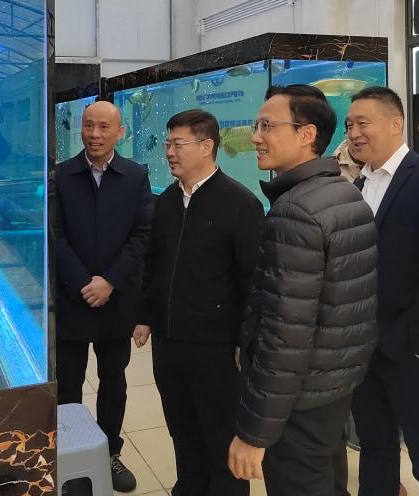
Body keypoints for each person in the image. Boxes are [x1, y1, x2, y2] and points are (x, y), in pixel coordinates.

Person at [228, 84, 378, 496]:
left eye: (267, 126)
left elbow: (285, 333)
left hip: (298, 399)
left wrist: (255, 432)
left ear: (306, 134)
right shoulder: (344, 192)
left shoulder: (295, 210)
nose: (256, 137)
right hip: (332, 386)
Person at [134, 109, 265, 496]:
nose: (169, 152)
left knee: (220, 440)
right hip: (169, 345)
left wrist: (245, 342)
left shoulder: (239, 203)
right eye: (168, 143)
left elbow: (253, 282)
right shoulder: (165, 203)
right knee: (183, 433)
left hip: (216, 350)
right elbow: (152, 266)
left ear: (207, 147)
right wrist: (145, 316)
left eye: (179, 144)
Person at [346, 86, 419, 496]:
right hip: (363, 345)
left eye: (363, 123)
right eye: (349, 125)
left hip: (411, 348)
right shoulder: (358, 183)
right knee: (374, 446)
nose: (354, 133)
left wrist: (416, 338)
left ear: (395, 123)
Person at [52, 100, 153, 493]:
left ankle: (110, 452)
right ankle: (70, 456)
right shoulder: (63, 175)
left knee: (114, 382)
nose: (94, 134)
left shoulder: (135, 175)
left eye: (104, 127)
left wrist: (109, 281)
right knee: (68, 384)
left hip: (116, 299)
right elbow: (55, 235)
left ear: (120, 132)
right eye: (88, 126)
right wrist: (84, 282)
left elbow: (142, 235)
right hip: (73, 298)